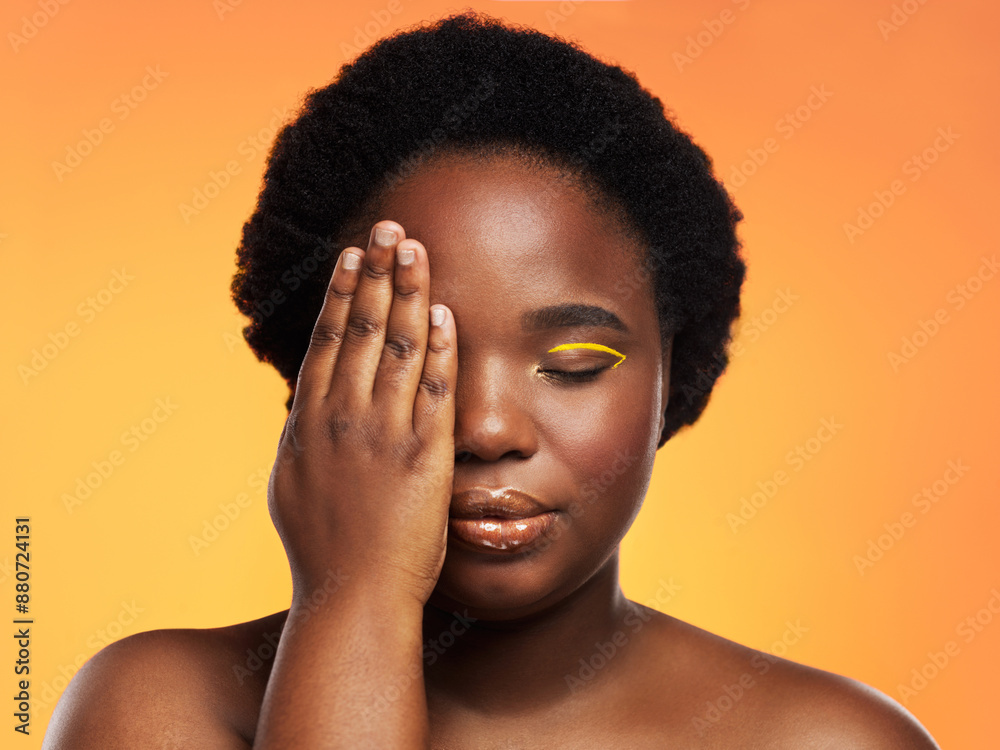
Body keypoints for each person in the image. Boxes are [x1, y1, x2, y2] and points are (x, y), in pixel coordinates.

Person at [43, 10, 941, 748]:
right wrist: (354, 593)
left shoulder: (824, 741)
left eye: (574, 365)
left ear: (677, 370)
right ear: (316, 369)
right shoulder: (158, 709)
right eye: (414, 356)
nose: (484, 426)